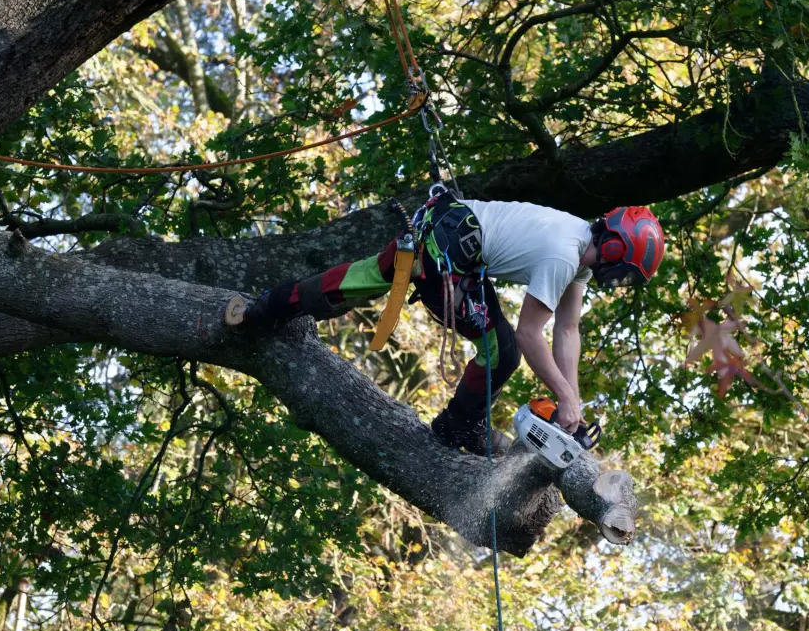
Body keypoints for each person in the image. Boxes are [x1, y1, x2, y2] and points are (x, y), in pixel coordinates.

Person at [244, 192, 665, 454]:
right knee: (504, 351)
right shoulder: (564, 254)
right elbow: (530, 333)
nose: (622, 280)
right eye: (627, 270)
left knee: (365, 276)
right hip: (450, 256)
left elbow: (568, 330)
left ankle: (271, 305)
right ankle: (457, 427)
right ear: (613, 246)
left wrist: (571, 400)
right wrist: (565, 400)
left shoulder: (579, 261)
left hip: (447, 233)